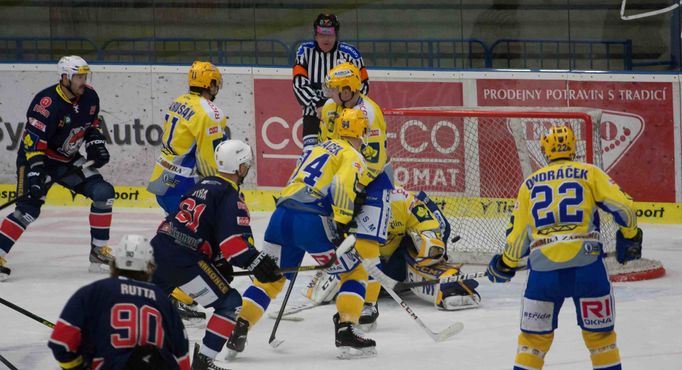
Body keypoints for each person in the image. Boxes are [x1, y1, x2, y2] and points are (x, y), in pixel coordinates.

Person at [486, 124, 643, 370]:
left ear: (544, 150)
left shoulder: (529, 184)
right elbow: (624, 208)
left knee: (532, 343)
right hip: (588, 268)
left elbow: (518, 239)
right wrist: (630, 235)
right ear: (573, 147)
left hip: (544, 275)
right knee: (601, 340)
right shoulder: (589, 172)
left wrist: (505, 264)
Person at [226, 109, 374, 359]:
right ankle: (346, 331)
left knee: (269, 279)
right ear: (361, 132)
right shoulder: (352, 155)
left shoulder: (318, 148)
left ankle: (240, 328)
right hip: (312, 220)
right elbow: (340, 186)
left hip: (281, 216)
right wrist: (340, 222)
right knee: (354, 273)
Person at [150, 139, 282, 370]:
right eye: (246, 165)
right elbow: (235, 247)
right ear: (240, 168)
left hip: (158, 248)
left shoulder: (201, 185)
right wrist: (257, 261)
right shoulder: (230, 197)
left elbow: (197, 225)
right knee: (230, 303)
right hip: (184, 258)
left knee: (145, 304)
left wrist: (216, 260)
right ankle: (204, 361)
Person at [302, 187, 481, 331]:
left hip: (395, 265)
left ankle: (449, 287)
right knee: (330, 287)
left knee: (416, 252)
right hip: (360, 265)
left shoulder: (402, 200)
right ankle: (359, 298)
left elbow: (434, 229)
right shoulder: (347, 200)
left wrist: (428, 243)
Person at [0, 55, 114, 280]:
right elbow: (33, 143)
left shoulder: (90, 97)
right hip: (36, 159)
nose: (83, 80)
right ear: (65, 78)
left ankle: (98, 251)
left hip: (67, 161)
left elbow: (90, 127)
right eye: (78, 76)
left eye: (84, 75)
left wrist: (96, 144)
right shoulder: (47, 103)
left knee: (104, 193)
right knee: (28, 211)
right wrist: (35, 173)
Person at [146, 60, 228, 320]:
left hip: (163, 180)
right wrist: (221, 192)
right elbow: (209, 161)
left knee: (177, 240)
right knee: (199, 244)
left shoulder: (179, 100)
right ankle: (174, 296)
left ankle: (160, 291)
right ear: (210, 84)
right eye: (215, 82)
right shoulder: (211, 112)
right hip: (184, 186)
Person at [48, 234, 191, 370]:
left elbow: (60, 343)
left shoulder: (94, 292)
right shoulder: (162, 300)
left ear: (115, 263)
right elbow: (182, 357)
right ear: (149, 266)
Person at [293, 13, 369, 151]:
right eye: (322, 35)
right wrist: (319, 104)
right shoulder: (304, 51)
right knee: (310, 154)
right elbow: (299, 84)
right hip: (314, 114)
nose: (326, 39)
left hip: (344, 115)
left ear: (336, 35)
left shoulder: (351, 54)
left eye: (330, 35)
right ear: (315, 35)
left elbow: (363, 86)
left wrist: (342, 106)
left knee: (344, 154)